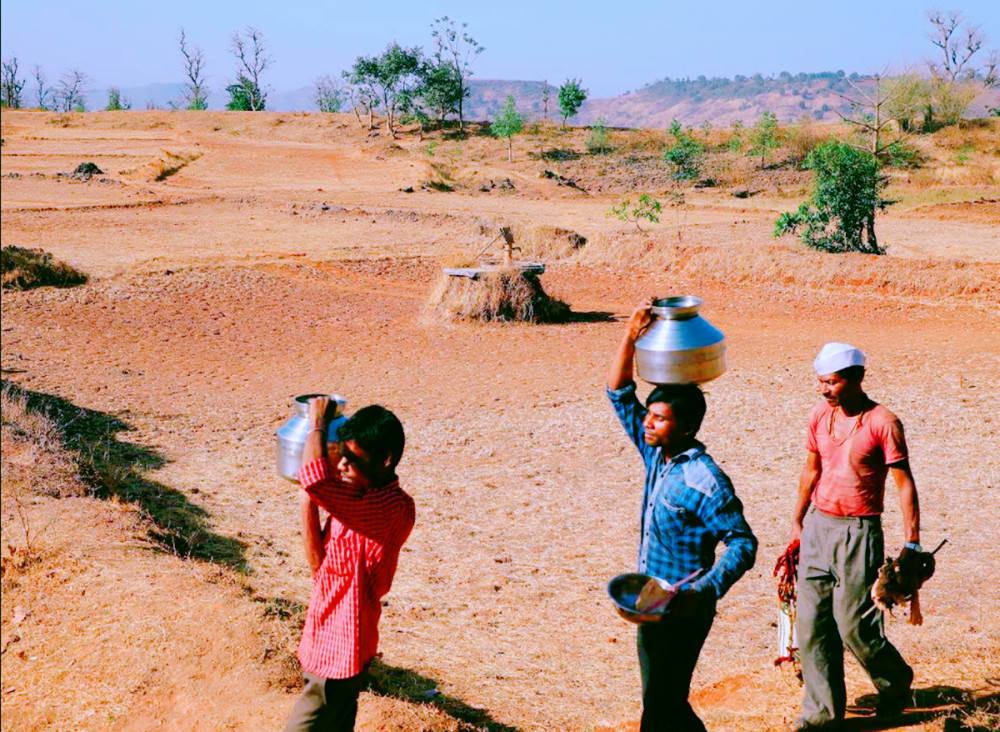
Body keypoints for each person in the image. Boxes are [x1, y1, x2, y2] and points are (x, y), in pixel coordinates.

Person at [607, 299, 758, 732]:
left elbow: (743, 543)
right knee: (664, 701)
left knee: (660, 706)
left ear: (687, 427)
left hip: (685, 609)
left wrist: (703, 592)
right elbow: (618, 391)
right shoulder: (658, 457)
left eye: (659, 418)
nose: (648, 424)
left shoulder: (704, 480)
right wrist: (630, 334)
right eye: (649, 416)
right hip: (650, 602)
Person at [791, 342, 921, 729]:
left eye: (831, 382)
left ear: (856, 378)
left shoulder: (884, 422)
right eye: (821, 382)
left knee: (855, 627)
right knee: (812, 626)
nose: (824, 390)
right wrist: (798, 521)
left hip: (859, 533)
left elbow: (904, 484)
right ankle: (821, 715)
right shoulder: (819, 415)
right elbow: (811, 469)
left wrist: (911, 542)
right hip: (818, 527)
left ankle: (895, 680)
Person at [285, 397, 415, 732]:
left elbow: (314, 478)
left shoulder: (389, 509)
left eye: (352, 458)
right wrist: (308, 500)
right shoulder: (354, 502)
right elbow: (321, 570)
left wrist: (315, 424)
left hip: (343, 651)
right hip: (323, 638)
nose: (342, 465)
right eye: (341, 454)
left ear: (384, 461)